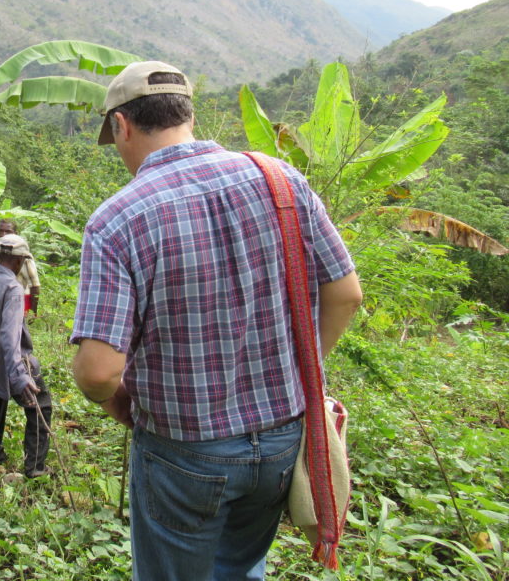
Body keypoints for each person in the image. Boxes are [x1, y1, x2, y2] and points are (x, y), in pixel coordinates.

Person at [70, 61, 362, 581]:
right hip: (281, 440)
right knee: (241, 570)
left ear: (122, 126)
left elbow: (97, 372)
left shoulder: (118, 219)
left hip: (184, 451)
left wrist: (120, 406)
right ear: (187, 114)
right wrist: (300, 367)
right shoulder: (280, 180)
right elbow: (345, 293)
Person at [0, 233, 52, 477]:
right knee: (41, 407)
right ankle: (35, 468)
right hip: (10, 359)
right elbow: (9, 335)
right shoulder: (13, 288)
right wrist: (19, 374)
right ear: (19, 262)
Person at [0, 219, 41, 315]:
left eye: (8, 231)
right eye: (1, 230)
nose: (3, 234)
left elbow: (34, 285)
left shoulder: (22, 254)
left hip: (17, 301)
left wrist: (34, 311)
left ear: (15, 233)